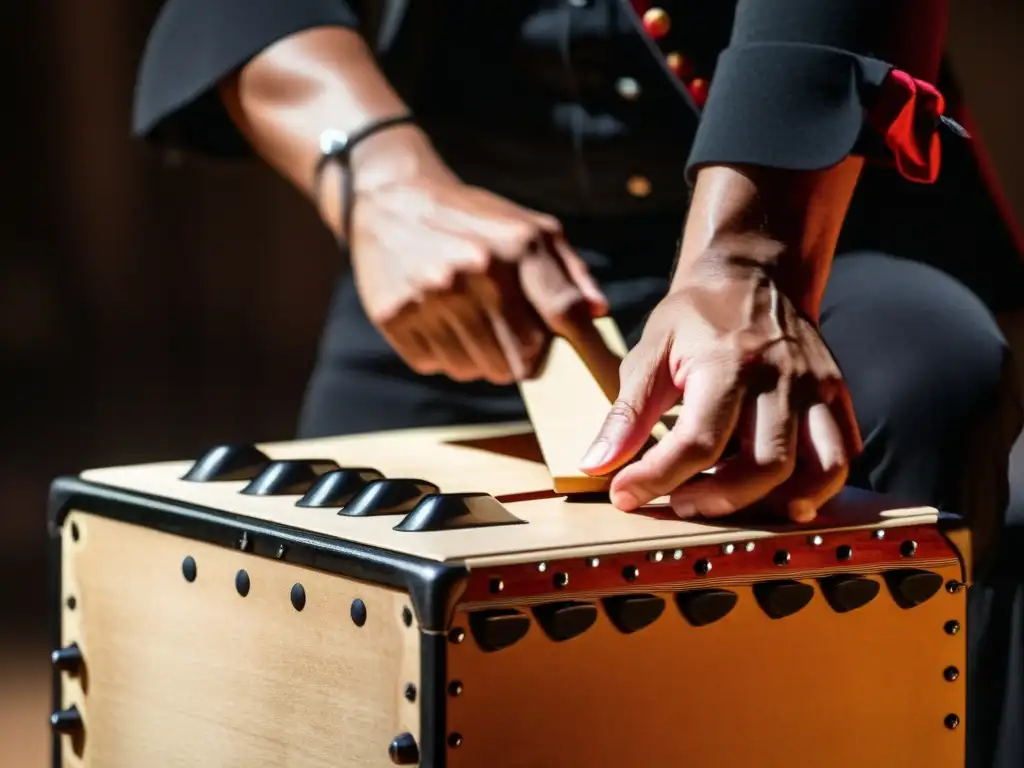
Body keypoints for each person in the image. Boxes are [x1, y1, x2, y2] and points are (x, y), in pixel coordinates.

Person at [131, 0, 1024, 764]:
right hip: (466, 277)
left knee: (931, 381)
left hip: (816, 218)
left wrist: (749, 254)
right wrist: (385, 183)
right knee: (318, 636)